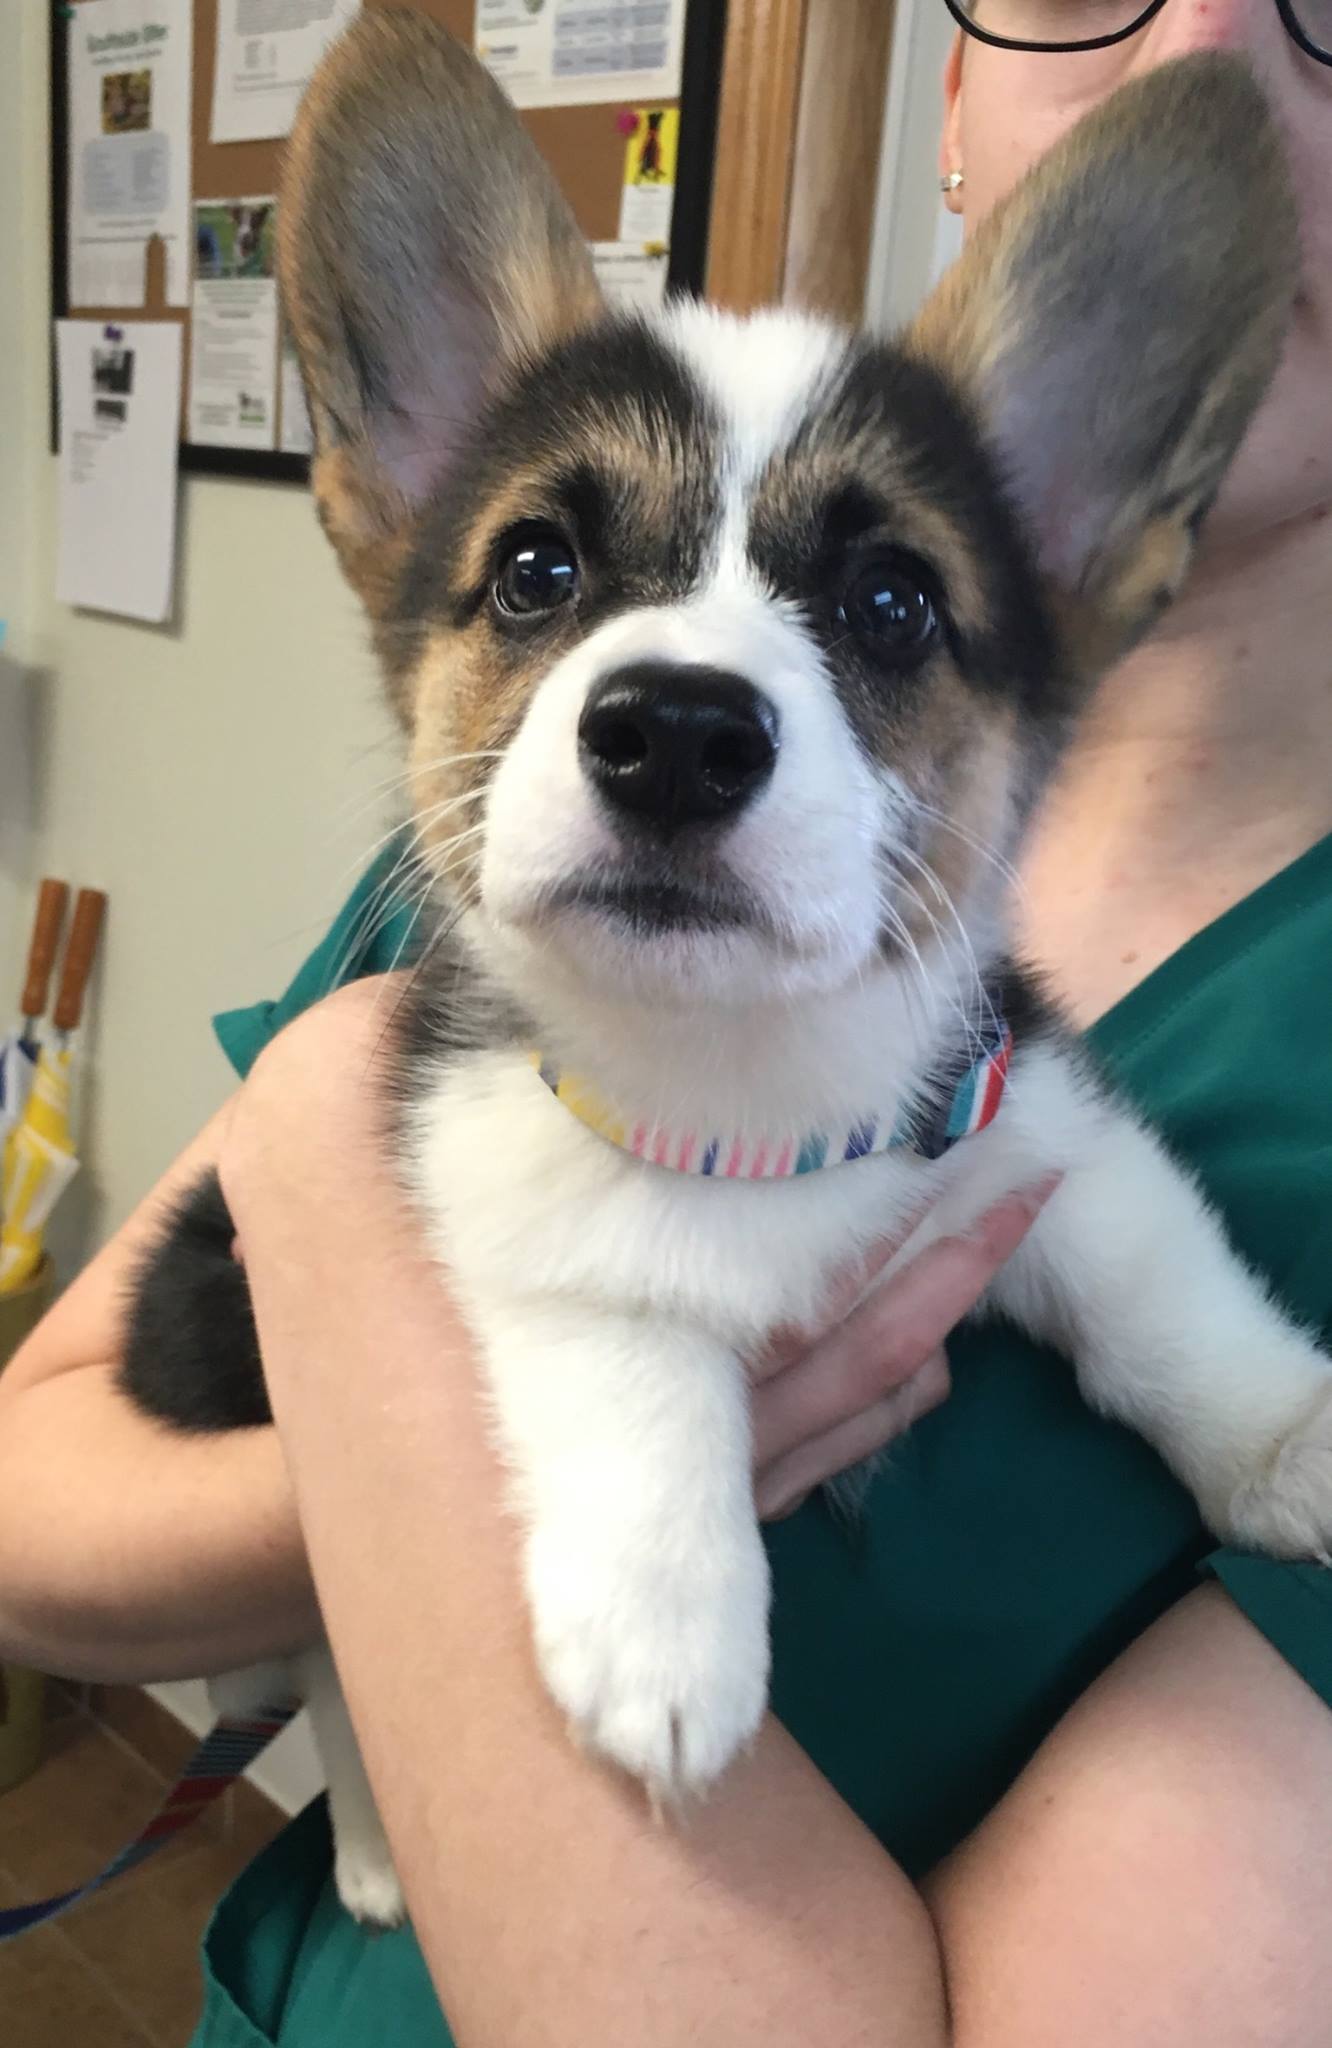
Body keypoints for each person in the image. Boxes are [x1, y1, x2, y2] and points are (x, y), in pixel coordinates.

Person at [3, 0, 1331, 2038]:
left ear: (1081, 529)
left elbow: (1070, 1193)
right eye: (544, 567)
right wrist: (409, 1425)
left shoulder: (1094, 1072)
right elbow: (33, 1483)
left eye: (883, 608)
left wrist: (347, 1282)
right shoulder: (484, 903)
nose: (1202, 49)